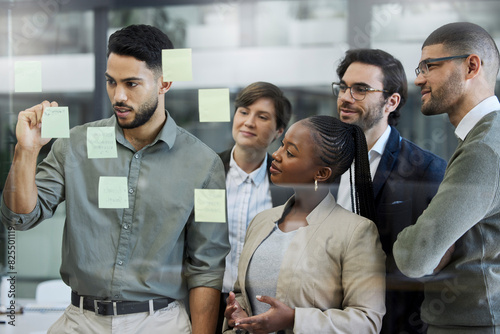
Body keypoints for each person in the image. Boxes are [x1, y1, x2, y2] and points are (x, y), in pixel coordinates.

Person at [0, 24, 229, 334]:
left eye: (132, 83)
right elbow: (18, 218)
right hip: (80, 319)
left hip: (159, 322)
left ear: (165, 82)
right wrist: (26, 151)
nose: (118, 95)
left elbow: (207, 266)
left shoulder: (204, 165)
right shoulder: (75, 146)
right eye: (111, 82)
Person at [223, 115, 386, 334]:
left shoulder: (356, 232)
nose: (277, 156)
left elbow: (367, 321)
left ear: (321, 173)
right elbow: (244, 294)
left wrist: (293, 319)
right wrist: (239, 312)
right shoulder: (262, 221)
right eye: (281, 146)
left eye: (290, 153)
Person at [393, 22, 500, 333]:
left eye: (430, 66)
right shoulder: (485, 138)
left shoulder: (483, 148)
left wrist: (423, 244)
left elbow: (416, 257)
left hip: (472, 322)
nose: (418, 79)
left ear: (471, 66)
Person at [332, 48, 447, 334]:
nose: (346, 97)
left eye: (360, 89)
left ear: (391, 101)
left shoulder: (425, 170)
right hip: (327, 319)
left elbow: (431, 267)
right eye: (343, 87)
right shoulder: (324, 162)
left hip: (393, 324)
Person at [216, 82, 293, 332]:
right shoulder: (208, 172)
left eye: (262, 117)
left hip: (263, 304)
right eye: (244, 111)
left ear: (278, 131)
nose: (249, 122)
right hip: (209, 298)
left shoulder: (287, 184)